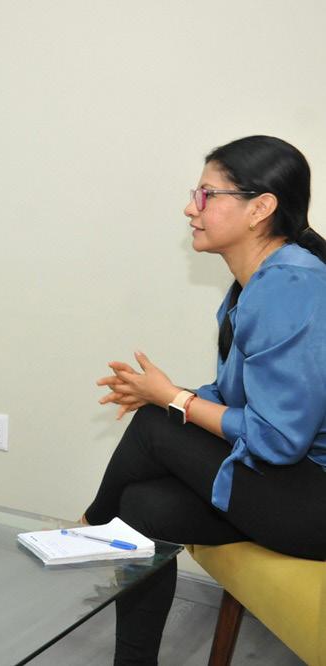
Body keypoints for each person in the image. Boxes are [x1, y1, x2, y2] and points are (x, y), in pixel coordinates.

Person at [86, 136, 326, 665]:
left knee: (156, 423)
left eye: (206, 195)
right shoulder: (255, 283)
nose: (190, 209)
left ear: (260, 208)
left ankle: (88, 530)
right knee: (142, 506)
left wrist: (171, 399)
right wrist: (170, 395)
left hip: (315, 499)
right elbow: (240, 396)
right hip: (288, 483)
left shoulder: (291, 286)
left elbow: (278, 439)